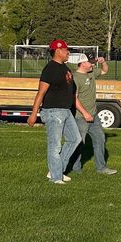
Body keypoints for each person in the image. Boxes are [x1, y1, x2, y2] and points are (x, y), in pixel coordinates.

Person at [27, 39, 93, 184]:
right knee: (55, 145)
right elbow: (41, 93)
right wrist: (34, 113)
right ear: (57, 51)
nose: (68, 52)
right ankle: (56, 178)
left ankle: (56, 171)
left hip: (66, 111)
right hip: (53, 111)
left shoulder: (66, 68)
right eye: (65, 50)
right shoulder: (50, 69)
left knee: (75, 139)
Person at [70, 53, 117, 175]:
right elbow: (73, 98)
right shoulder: (75, 78)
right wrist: (85, 114)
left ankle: (101, 168)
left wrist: (103, 62)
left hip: (94, 116)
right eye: (90, 62)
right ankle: (76, 168)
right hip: (81, 117)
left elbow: (104, 71)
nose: (92, 64)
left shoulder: (91, 72)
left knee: (100, 139)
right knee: (79, 143)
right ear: (82, 63)